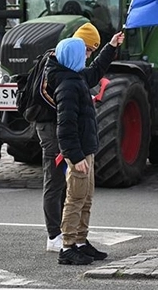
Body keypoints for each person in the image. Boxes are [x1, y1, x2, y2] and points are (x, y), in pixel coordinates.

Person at [40, 23, 119, 253]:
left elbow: (93, 73)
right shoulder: (67, 85)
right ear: (74, 53)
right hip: (74, 148)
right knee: (67, 192)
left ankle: (80, 241)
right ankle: (64, 243)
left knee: (84, 196)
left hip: (84, 146)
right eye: (85, 51)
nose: (87, 57)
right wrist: (74, 156)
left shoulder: (75, 77)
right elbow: (66, 127)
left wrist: (111, 47)